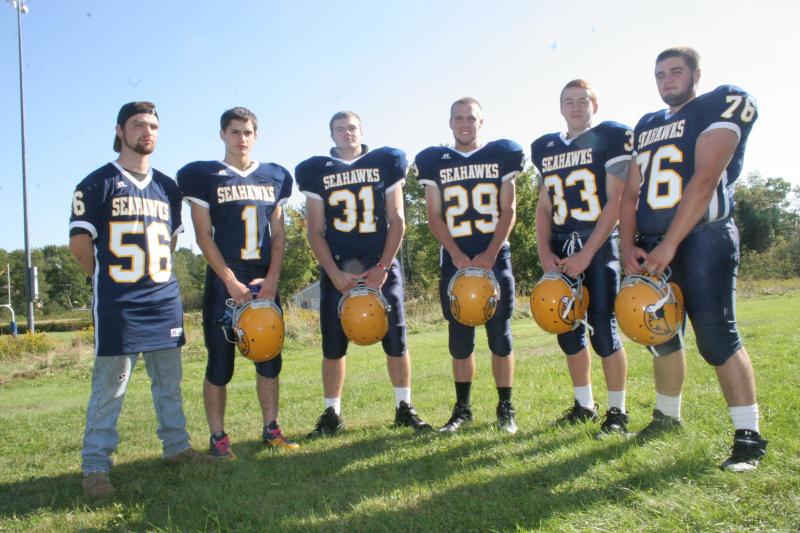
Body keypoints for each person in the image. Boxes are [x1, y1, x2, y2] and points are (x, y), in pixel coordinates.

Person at [619, 47, 767, 471]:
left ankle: (749, 436)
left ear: (696, 74)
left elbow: (704, 181)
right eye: (660, 74)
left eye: (676, 72)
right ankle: (666, 417)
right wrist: (628, 244)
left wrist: (669, 244)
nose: (667, 80)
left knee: (718, 336)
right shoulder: (646, 124)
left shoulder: (718, 103)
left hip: (702, 237)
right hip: (650, 240)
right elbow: (630, 194)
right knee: (659, 332)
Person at [70, 101, 215, 500]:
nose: (146, 131)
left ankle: (177, 447)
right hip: (120, 303)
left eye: (153, 125)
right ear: (120, 130)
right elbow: (81, 246)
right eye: (138, 125)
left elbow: (169, 241)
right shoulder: (96, 183)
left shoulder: (168, 186)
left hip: (163, 301)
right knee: (110, 389)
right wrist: (107, 282)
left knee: (168, 383)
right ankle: (95, 466)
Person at [296, 110, 431, 437]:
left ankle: (404, 407)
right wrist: (331, 272)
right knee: (333, 343)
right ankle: (332, 413)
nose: (347, 133)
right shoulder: (317, 171)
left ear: (362, 131)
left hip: (380, 261)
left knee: (396, 337)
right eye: (340, 129)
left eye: (352, 127)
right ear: (331, 135)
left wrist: (383, 266)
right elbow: (315, 229)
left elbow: (397, 219)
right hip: (338, 264)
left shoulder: (385, 161)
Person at [177, 107, 298, 459]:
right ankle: (218, 438)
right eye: (234, 132)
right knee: (220, 362)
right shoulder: (204, 176)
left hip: (263, 279)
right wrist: (229, 279)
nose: (241, 139)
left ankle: (271, 428)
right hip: (223, 281)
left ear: (255, 136)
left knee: (270, 357)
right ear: (222, 135)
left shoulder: (273, 176)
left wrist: (274, 277)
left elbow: (279, 234)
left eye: (247, 132)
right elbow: (203, 236)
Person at [414, 97, 524, 434]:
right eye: (458, 118)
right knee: (460, 339)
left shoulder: (501, 154)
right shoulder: (434, 160)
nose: (465, 123)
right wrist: (457, 254)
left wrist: (490, 253)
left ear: (481, 122)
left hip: (495, 255)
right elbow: (433, 215)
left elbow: (509, 209)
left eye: (471, 118)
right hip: (454, 258)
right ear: (450, 123)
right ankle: (462, 409)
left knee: (500, 336)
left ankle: (505, 407)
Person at [531, 80, 632, 437]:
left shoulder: (610, 136)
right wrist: (545, 253)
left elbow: (615, 203)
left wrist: (587, 254)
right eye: (568, 101)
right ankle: (584, 404)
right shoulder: (545, 147)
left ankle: (617, 411)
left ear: (595, 105)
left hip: (598, 245)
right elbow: (544, 206)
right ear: (561, 107)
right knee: (566, 328)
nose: (575, 107)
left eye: (582, 100)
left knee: (603, 329)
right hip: (560, 246)